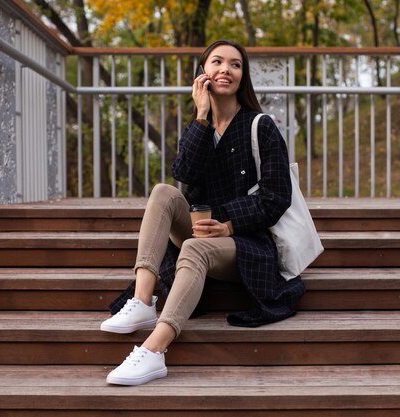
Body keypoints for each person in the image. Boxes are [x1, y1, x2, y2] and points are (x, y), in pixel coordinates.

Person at [101, 39, 306, 386]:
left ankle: (153, 350)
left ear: (243, 76)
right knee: (163, 193)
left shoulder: (261, 126)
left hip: (248, 243)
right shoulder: (198, 127)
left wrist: (228, 224)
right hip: (201, 232)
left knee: (194, 247)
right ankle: (142, 299)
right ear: (203, 73)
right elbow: (184, 175)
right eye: (217, 62)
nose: (226, 69)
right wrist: (201, 117)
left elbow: (277, 196)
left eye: (235, 64)